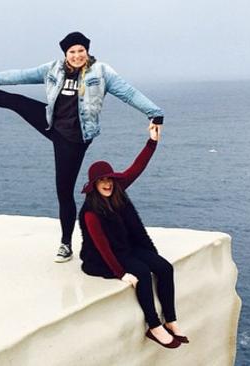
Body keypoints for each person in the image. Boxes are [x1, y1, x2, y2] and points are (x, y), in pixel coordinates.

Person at [0, 31, 164, 263]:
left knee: (64, 191)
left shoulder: (101, 72)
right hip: (51, 123)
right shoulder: (54, 69)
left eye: (81, 51)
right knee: (16, 101)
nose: (77, 55)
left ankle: (65, 244)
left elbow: (128, 93)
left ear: (87, 51)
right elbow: (21, 75)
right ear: (65, 53)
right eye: (72, 51)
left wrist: (155, 114)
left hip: (73, 140)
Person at [78, 125, 188, 348]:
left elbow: (137, 167)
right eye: (101, 181)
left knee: (165, 268)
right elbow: (101, 246)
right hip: (106, 256)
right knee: (143, 275)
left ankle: (171, 320)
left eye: (109, 179)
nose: (107, 184)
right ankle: (154, 326)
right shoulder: (90, 212)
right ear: (94, 185)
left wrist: (152, 142)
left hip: (129, 246)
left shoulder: (118, 189)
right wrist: (120, 273)